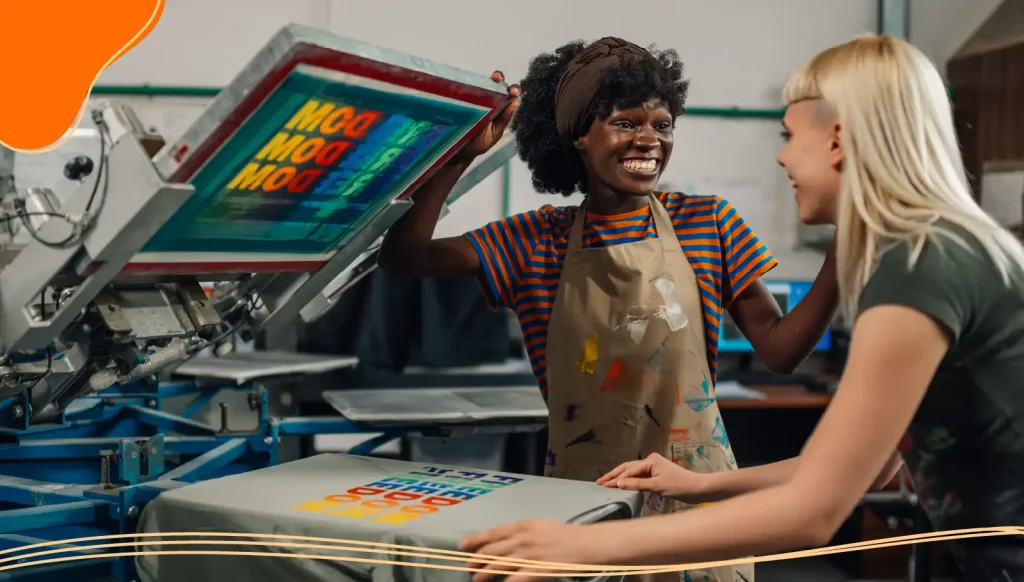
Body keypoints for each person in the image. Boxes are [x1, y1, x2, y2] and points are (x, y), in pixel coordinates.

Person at [457, 33, 1024, 582]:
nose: (779, 157)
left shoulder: (923, 266)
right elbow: (874, 466)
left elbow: (814, 510)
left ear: (837, 141)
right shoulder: (934, 249)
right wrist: (699, 485)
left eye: (787, 134)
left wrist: (585, 543)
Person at [380, 37, 838, 582]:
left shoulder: (707, 222)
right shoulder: (534, 241)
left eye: (662, 125)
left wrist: (846, 247)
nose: (649, 139)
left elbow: (781, 349)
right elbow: (404, 256)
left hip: (699, 511)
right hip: (584, 512)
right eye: (626, 122)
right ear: (578, 136)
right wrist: (461, 154)